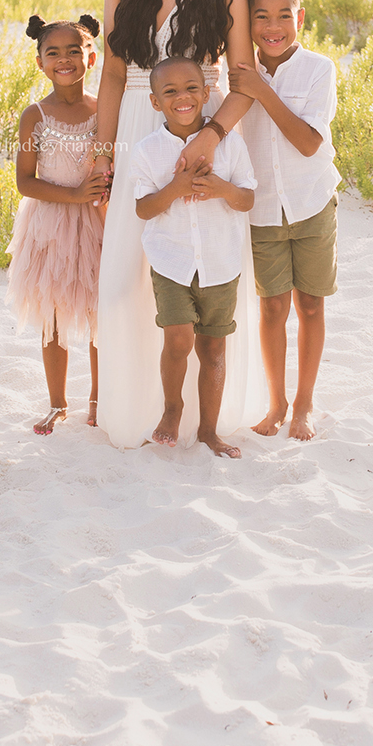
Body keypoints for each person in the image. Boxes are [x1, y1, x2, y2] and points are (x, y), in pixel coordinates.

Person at [91, 0, 268, 448]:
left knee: (199, 267)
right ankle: (134, 409)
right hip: (137, 134)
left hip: (202, 136)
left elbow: (242, 82)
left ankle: (198, 421)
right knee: (124, 280)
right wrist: (103, 153)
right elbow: (115, 73)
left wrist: (212, 136)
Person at [127, 58, 256, 456]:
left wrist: (220, 188)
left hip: (220, 263)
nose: (181, 97)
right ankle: (172, 407)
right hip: (171, 261)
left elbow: (247, 198)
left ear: (205, 94)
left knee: (214, 349)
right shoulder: (148, 151)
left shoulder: (230, 144)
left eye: (190, 89)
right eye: (169, 92)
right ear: (154, 102)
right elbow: (143, 209)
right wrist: (177, 186)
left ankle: (209, 431)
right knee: (179, 340)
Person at [230, 0, 339, 441]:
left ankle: (304, 404)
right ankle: (276, 404)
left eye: (284, 16)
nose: (273, 27)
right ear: (246, 22)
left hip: (312, 202)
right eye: (261, 17)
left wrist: (262, 91)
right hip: (261, 209)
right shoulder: (236, 74)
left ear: (300, 18)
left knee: (310, 305)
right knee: (272, 308)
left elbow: (308, 142)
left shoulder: (319, 69)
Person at [5, 14, 107, 434]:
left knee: (100, 312)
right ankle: (57, 402)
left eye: (74, 51)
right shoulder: (35, 116)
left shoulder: (104, 110)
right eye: (53, 53)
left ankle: (99, 398)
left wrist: (95, 194)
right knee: (52, 315)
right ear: (40, 63)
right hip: (49, 220)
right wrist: (72, 195)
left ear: (92, 58)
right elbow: (24, 182)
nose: (64, 60)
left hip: (96, 220)